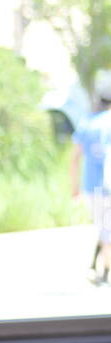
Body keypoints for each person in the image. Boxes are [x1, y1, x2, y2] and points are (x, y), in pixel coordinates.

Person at [70, 90, 111, 284]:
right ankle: (104, 271)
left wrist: (74, 187)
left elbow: (74, 158)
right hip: (105, 186)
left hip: (92, 187)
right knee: (106, 229)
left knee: (104, 227)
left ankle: (99, 268)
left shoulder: (87, 123)